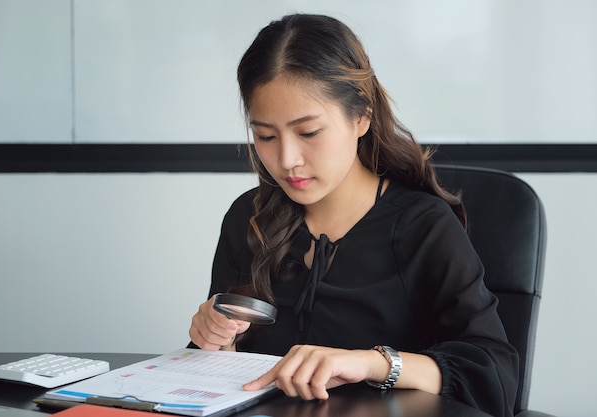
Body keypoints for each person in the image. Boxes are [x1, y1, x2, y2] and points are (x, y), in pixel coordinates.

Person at [189, 13, 518, 417]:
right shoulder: (248, 217)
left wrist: (372, 363)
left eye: (309, 133)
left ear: (361, 116)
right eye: (266, 136)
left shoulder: (423, 227)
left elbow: (493, 376)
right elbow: (223, 374)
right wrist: (218, 342)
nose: (287, 160)